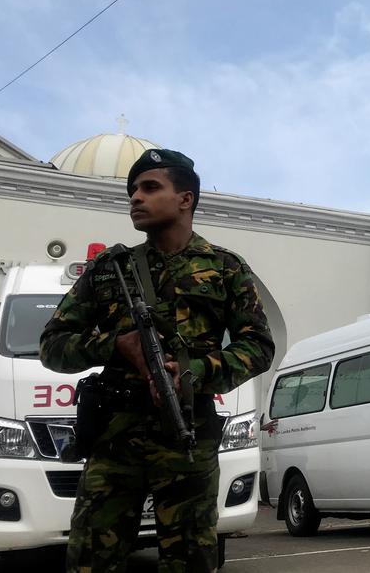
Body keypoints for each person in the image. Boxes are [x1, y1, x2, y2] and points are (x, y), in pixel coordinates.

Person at [41, 149, 276, 573]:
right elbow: (53, 345)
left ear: (185, 199)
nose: (136, 198)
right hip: (115, 436)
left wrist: (196, 372)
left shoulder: (225, 269)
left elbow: (258, 346)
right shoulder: (109, 269)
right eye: (133, 190)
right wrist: (115, 345)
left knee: (189, 560)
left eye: (150, 188)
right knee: (91, 559)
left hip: (186, 434)